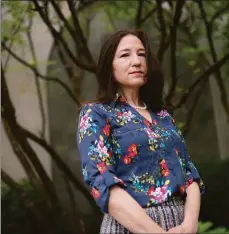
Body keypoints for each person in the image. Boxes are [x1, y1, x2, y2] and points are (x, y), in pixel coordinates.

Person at [76, 29, 205, 233]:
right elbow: (102, 183)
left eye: (141, 54)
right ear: (110, 66)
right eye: (125, 55)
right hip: (130, 227)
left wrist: (189, 225)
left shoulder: (163, 117)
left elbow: (190, 175)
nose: (137, 61)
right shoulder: (96, 114)